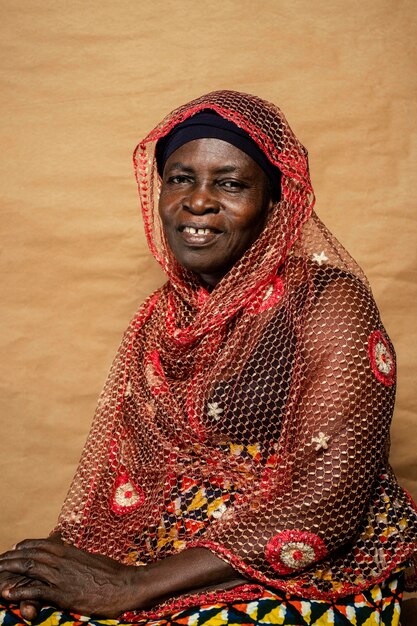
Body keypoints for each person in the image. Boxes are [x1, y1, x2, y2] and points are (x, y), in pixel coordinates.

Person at [0, 90, 416, 626]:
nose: (198, 202)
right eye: (179, 178)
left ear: (275, 203)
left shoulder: (328, 302)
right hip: (177, 542)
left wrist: (132, 585)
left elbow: (327, 504)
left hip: (308, 560)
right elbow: (120, 478)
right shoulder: (164, 316)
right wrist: (47, 567)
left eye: (231, 183)